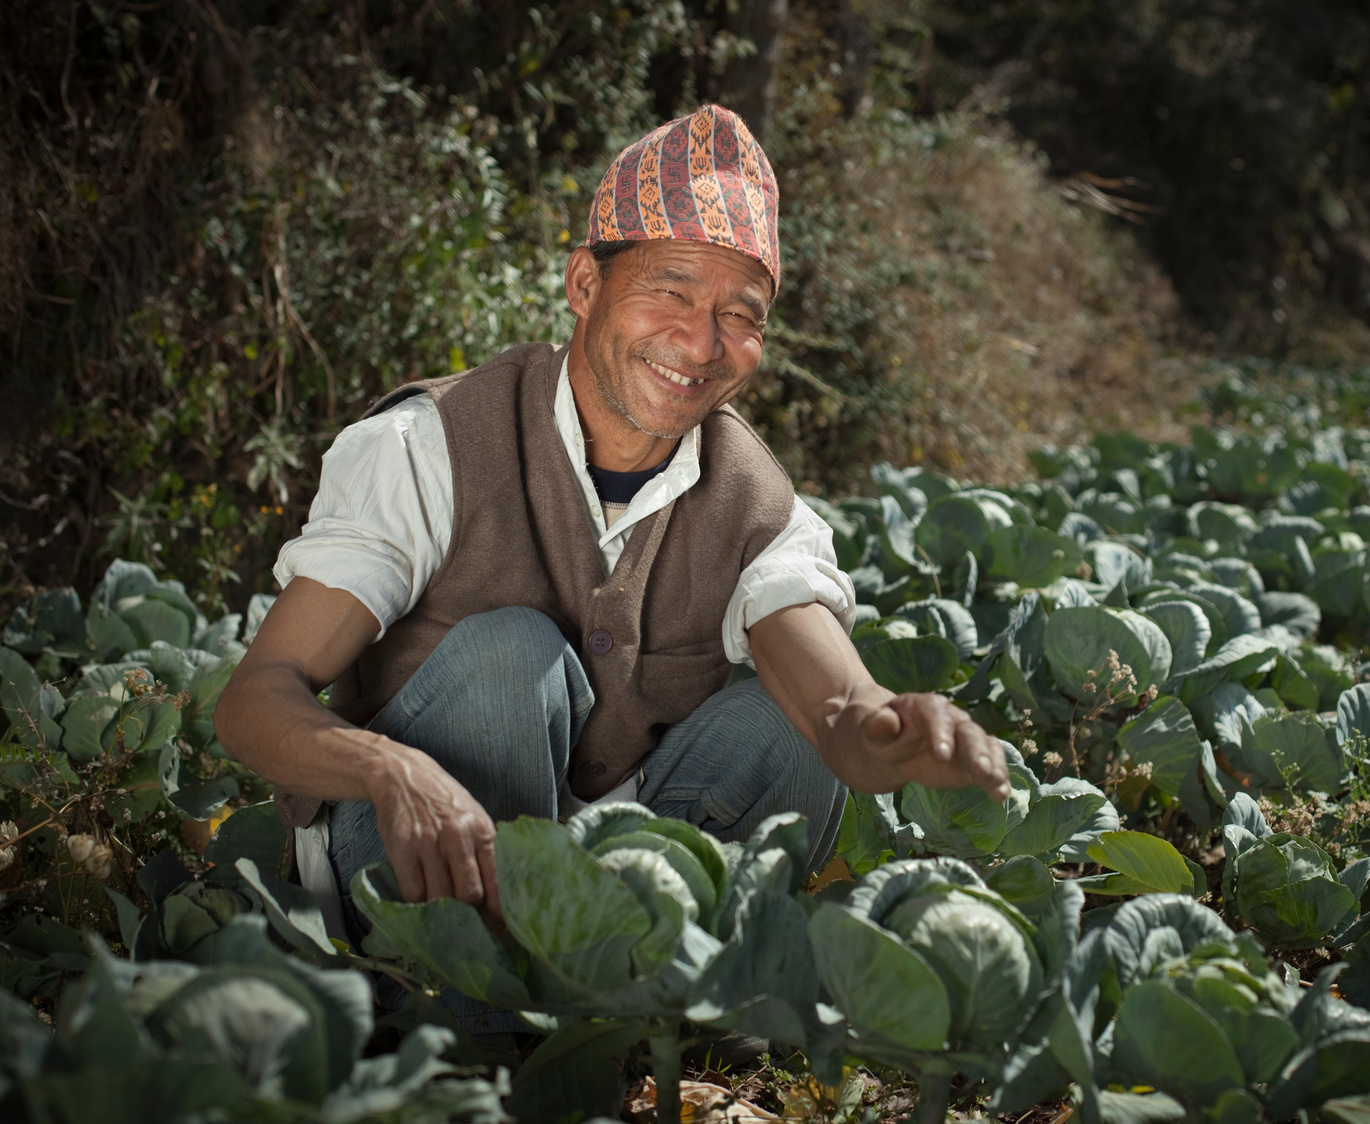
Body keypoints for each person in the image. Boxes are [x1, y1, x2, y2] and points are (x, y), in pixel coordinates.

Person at [214, 105, 1006, 953]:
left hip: (619, 881)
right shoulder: (428, 447)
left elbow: (834, 697)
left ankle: (655, 1001)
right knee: (509, 653)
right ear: (584, 285)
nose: (700, 342)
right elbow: (257, 699)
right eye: (670, 289)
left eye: (740, 316)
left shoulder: (760, 507)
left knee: (786, 723)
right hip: (414, 866)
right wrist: (391, 772)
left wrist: (872, 732)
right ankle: (474, 1024)